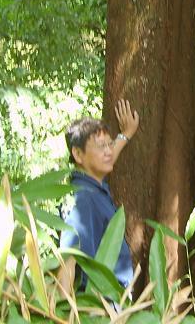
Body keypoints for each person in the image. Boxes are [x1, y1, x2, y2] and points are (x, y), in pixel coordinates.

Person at [58, 99, 140, 294]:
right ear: (78, 154)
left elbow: (109, 156)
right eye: (100, 146)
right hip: (99, 306)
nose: (108, 151)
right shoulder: (82, 200)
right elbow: (68, 259)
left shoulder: (93, 185)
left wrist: (126, 134)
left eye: (109, 144)